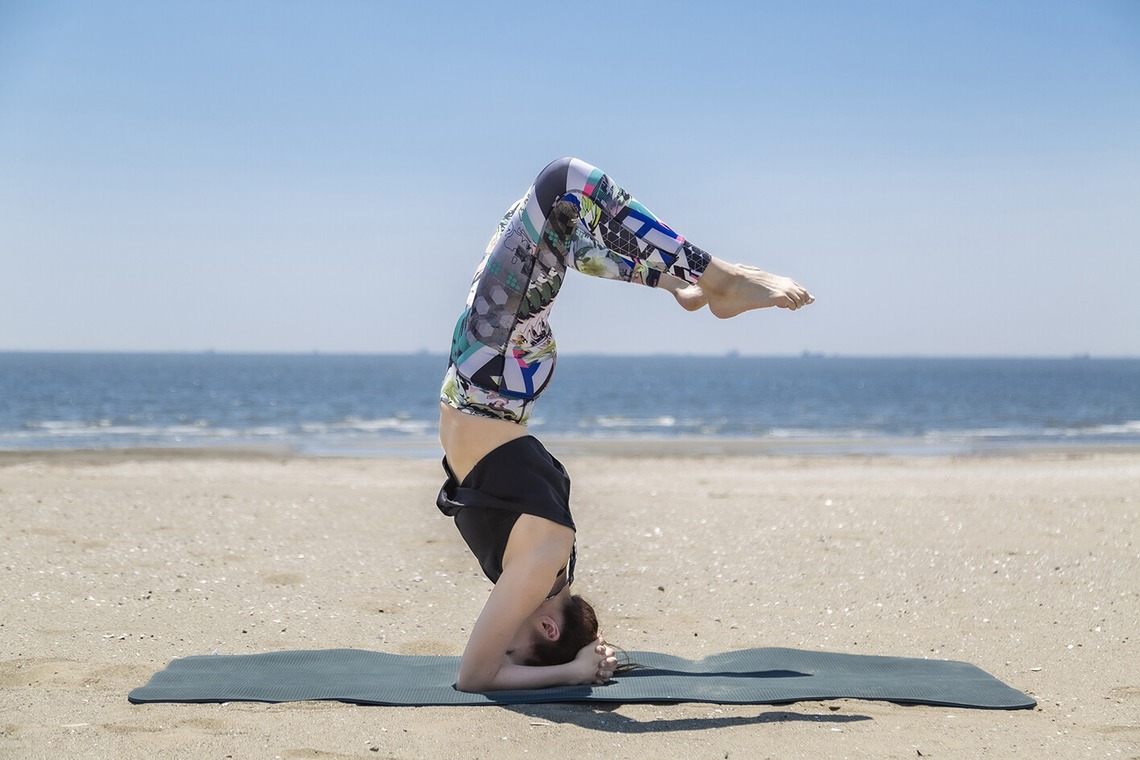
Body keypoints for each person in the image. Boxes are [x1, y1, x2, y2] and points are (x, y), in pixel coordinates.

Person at [436, 157, 814, 692]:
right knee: (563, 184)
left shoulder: (545, 569)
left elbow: (492, 668)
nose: (499, 643)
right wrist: (579, 665)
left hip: (489, 374)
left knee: (563, 230)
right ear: (546, 625)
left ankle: (677, 283)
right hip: (492, 372)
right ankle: (717, 281)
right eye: (513, 648)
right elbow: (476, 677)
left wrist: (580, 660)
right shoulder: (543, 565)